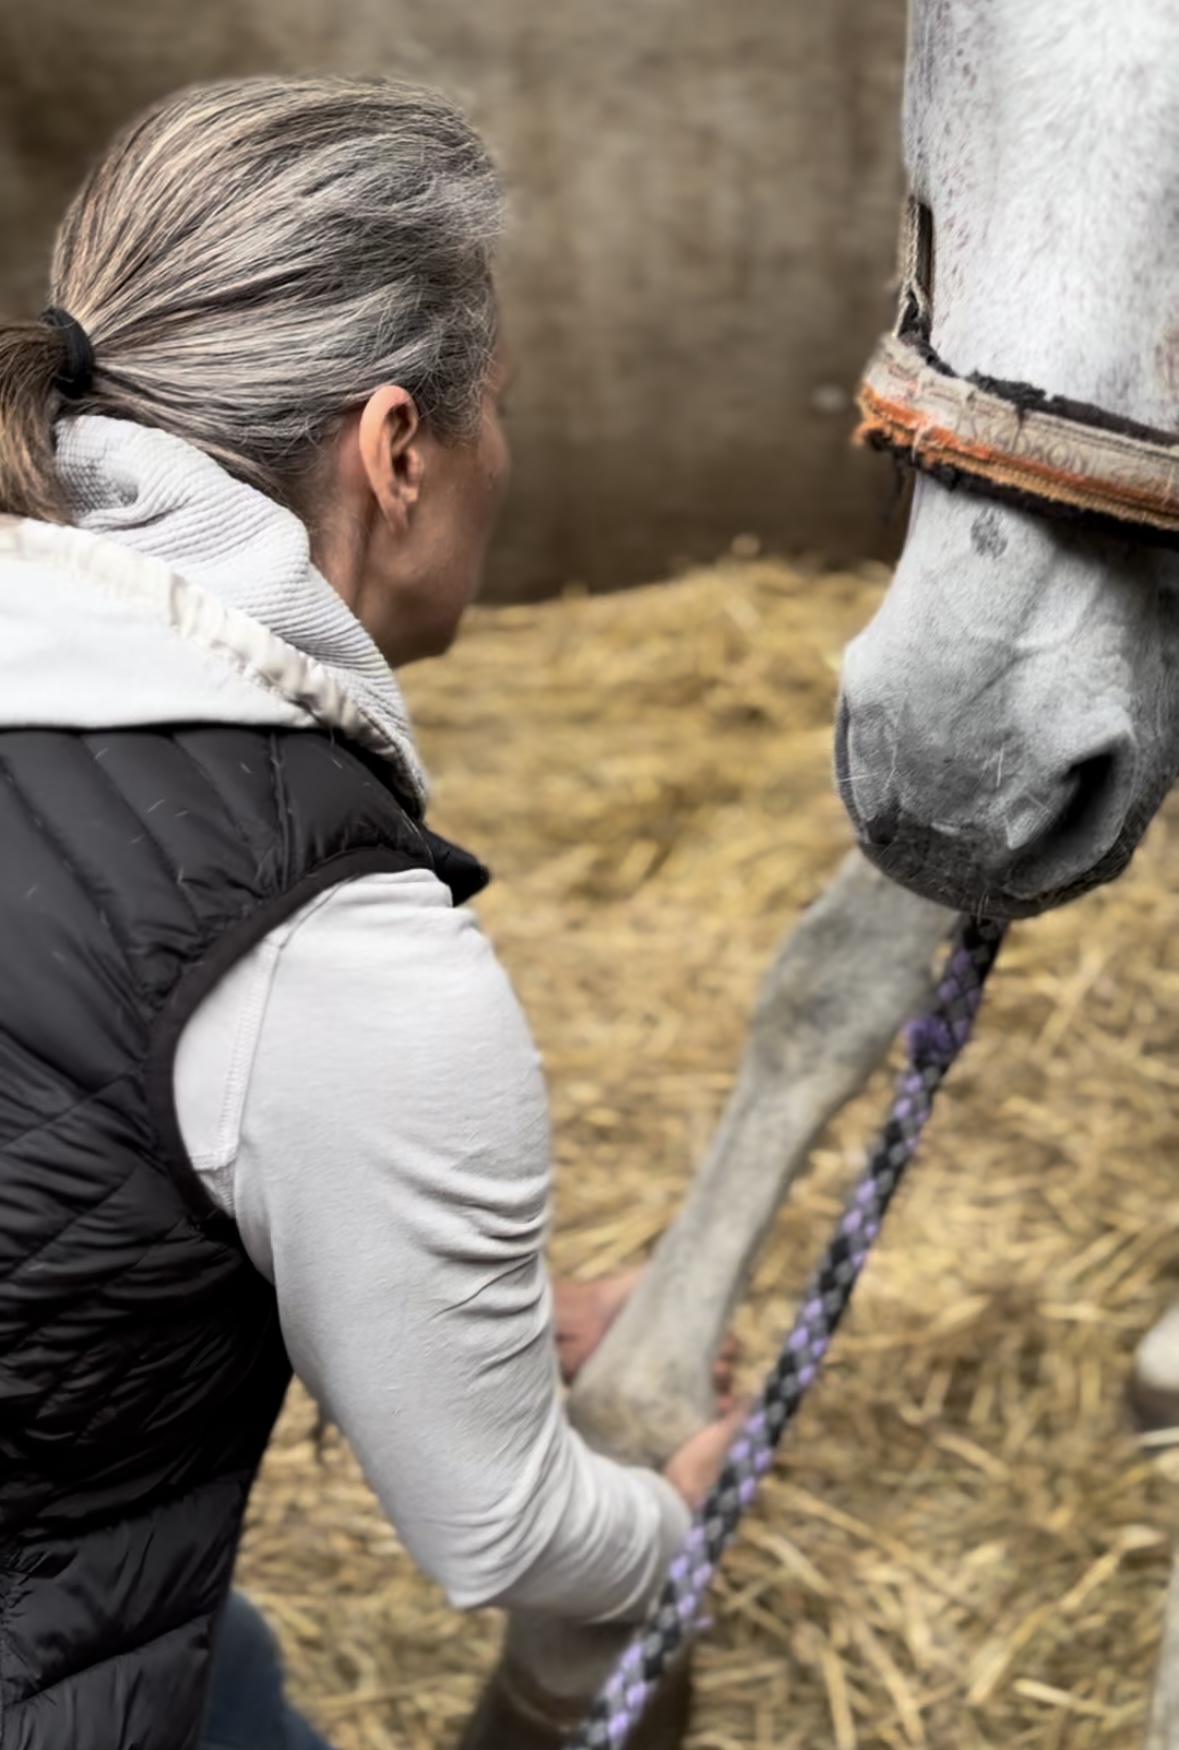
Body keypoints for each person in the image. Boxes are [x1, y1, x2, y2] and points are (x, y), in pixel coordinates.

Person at [0, 76, 742, 1750]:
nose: (507, 457)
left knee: (230, 1660)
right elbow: (496, 1527)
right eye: (497, 411)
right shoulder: (330, 941)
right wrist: (671, 1525)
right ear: (396, 448)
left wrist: (453, 1309)